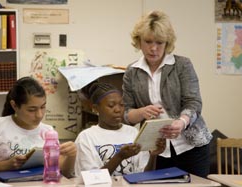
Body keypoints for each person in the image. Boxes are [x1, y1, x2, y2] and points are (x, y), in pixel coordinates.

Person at [122, 10, 213, 178]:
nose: (154, 48)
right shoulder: (132, 72)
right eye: (148, 41)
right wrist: (141, 112)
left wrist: (181, 122)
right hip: (157, 150)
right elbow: (126, 114)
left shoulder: (182, 65)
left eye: (160, 42)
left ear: (167, 43)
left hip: (192, 147)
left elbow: (193, 103)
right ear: (139, 41)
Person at [0, 76, 76, 178]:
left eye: (43, 107)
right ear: (14, 105)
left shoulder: (48, 131)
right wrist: (7, 165)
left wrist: (71, 156)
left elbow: (64, 172)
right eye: (31, 110)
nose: (39, 115)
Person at [75, 82, 165, 177]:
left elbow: (145, 176)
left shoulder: (133, 132)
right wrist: (119, 157)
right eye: (111, 105)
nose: (118, 110)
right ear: (95, 109)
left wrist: (153, 155)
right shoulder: (86, 138)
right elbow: (91, 179)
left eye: (121, 105)